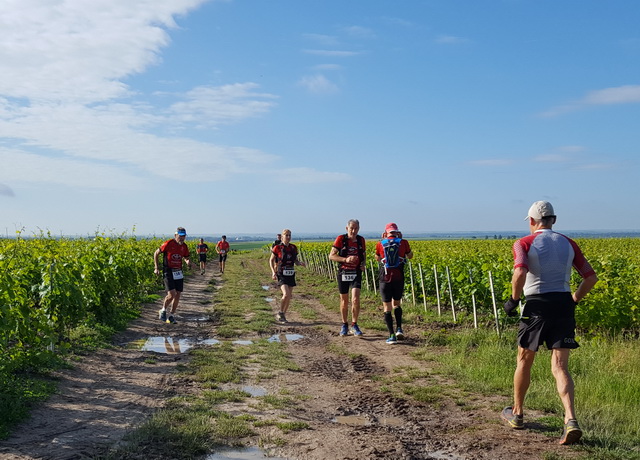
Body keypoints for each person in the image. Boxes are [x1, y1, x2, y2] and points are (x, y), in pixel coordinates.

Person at [501, 201, 598, 445]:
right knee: (560, 366)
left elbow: (520, 271)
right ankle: (571, 420)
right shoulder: (569, 243)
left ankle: (518, 414)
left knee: (525, 359)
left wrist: (513, 301)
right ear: (553, 220)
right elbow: (590, 276)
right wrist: (574, 299)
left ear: (532, 221)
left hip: (537, 305)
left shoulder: (523, 243)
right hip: (563, 304)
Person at [374, 223, 413, 344]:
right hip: (398, 278)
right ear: (397, 232)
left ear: (386, 232)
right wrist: (401, 239)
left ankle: (391, 335)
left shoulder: (380, 243)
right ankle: (399, 329)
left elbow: (378, 258)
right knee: (397, 304)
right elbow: (410, 256)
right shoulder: (403, 242)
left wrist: (383, 239)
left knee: (387, 307)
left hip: (385, 278)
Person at [329, 219, 366, 336]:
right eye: (351, 228)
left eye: (356, 228)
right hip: (344, 272)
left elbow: (363, 255)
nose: (353, 231)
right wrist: (345, 259)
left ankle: (354, 324)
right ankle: (344, 324)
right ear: (347, 228)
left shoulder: (361, 240)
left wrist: (363, 264)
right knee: (344, 300)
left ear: (359, 229)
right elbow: (331, 256)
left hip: (356, 272)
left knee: (355, 299)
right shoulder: (341, 239)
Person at [153, 227, 193, 324]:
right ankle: (163, 310)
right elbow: (156, 253)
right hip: (168, 271)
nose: (182, 238)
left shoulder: (185, 246)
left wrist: (188, 262)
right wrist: (156, 268)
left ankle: (171, 315)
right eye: (180, 236)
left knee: (178, 294)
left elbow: (186, 257)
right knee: (172, 294)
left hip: (178, 272)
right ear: (176, 235)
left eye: (184, 236)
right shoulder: (169, 243)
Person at [269, 229, 305, 323]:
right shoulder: (277, 247)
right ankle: (280, 312)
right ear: (282, 236)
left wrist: (300, 263)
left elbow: (295, 261)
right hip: (281, 273)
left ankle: (283, 314)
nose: (288, 237)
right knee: (286, 294)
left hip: (291, 273)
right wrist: (273, 272)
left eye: (289, 235)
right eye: (286, 235)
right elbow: (271, 260)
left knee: (289, 296)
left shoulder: (293, 248)